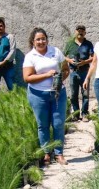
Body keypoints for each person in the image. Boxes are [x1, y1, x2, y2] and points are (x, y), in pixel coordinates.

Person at [23, 27, 70, 165]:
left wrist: (60, 80)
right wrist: (47, 75)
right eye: (38, 39)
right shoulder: (30, 57)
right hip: (38, 95)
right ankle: (46, 153)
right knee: (42, 125)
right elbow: (27, 78)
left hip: (58, 94)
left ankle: (59, 153)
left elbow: (66, 69)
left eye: (43, 39)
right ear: (33, 41)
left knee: (58, 124)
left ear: (47, 40)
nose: (41, 42)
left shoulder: (56, 52)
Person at [64, 24, 94, 121]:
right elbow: (63, 56)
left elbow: (93, 57)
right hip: (73, 72)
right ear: (75, 32)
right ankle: (76, 114)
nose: (80, 32)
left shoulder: (88, 44)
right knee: (73, 94)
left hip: (85, 72)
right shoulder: (70, 43)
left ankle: (85, 113)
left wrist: (84, 62)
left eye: (82, 31)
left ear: (85, 33)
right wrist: (70, 60)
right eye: (78, 30)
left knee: (85, 94)